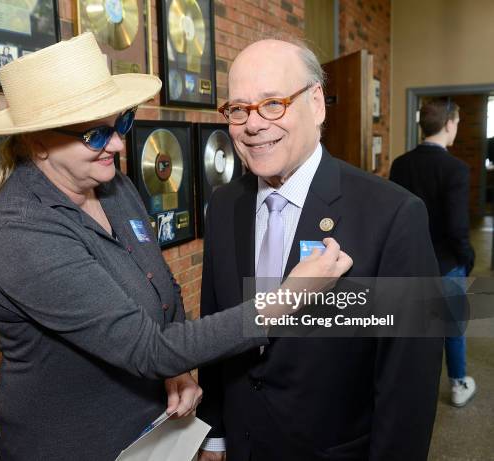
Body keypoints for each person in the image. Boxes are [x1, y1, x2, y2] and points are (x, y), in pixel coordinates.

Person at [0, 33, 352, 460]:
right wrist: (286, 299)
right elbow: (145, 348)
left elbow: (163, 289)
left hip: (151, 438)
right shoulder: (19, 233)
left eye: (121, 123)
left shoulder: (112, 185)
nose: (117, 145)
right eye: (95, 136)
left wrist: (177, 368)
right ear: (38, 143)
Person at [197, 38, 444, 461]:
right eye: (238, 109)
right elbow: (217, 321)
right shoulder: (223, 205)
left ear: (316, 104)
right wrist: (215, 434)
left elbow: (408, 385)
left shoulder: (393, 215)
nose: (253, 124)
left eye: (273, 103)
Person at [390, 98, 476, 407]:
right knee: (452, 326)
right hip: (446, 262)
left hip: (409, 261)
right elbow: (456, 226)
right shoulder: (456, 168)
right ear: (449, 124)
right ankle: (458, 384)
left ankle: (409, 387)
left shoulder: (401, 164)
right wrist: (467, 257)